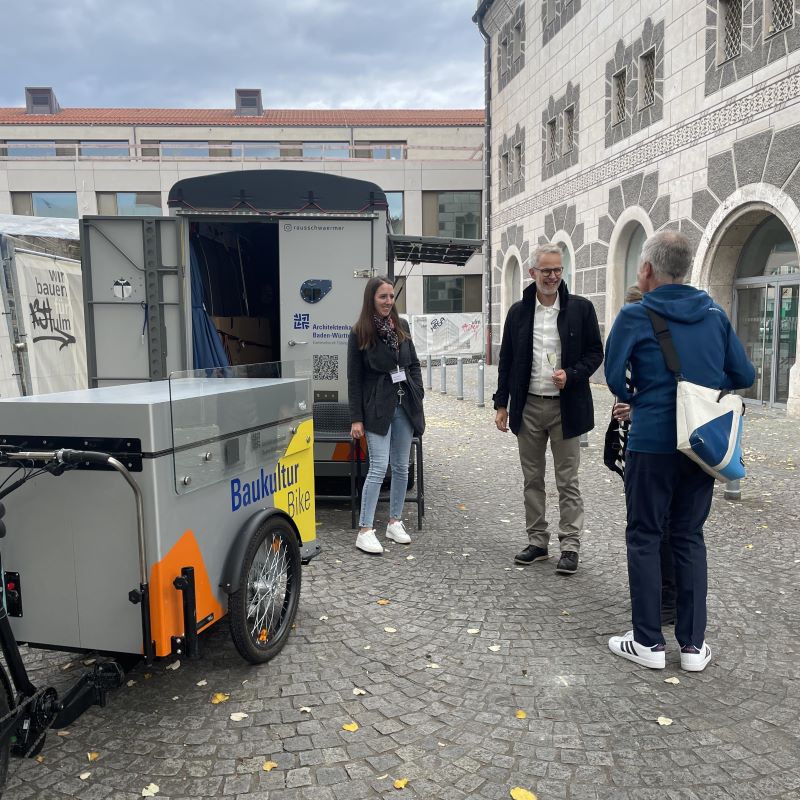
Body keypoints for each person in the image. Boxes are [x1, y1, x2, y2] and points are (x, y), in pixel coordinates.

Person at [605, 230, 754, 671]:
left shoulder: (635, 314)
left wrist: (643, 396)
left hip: (651, 441)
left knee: (645, 536)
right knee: (688, 535)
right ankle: (692, 646)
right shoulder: (714, 314)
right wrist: (702, 385)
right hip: (698, 443)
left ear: (647, 269)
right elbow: (743, 374)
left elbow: (613, 377)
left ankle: (648, 642)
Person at [493, 244, 603, 574]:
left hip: (565, 408)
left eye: (557, 270)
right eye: (546, 271)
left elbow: (595, 353)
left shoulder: (581, 309)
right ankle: (537, 541)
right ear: (533, 273)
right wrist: (501, 404)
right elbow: (506, 360)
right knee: (532, 479)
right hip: (528, 406)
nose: (553, 276)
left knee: (567, 481)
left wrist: (572, 374)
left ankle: (570, 545)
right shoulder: (518, 312)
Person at [608, 283, 676, 626]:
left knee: (656, 527)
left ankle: (665, 601)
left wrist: (635, 410)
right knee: (661, 525)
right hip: (638, 442)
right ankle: (664, 597)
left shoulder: (655, 344)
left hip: (653, 444)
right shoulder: (646, 345)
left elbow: (662, 395)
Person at [348, 276, 425, 555]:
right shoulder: (359, 332)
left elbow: (413, 363)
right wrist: (356, 418)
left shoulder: (401, 326)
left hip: (405, 406)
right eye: (383, 296)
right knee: (379, 467)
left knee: (402, 467)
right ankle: (365, 530)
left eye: (391, 296)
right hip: (377, 409)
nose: (388, 301)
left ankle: (394, 522)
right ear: (372, 298)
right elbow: (354, 380)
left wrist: (418, 391)